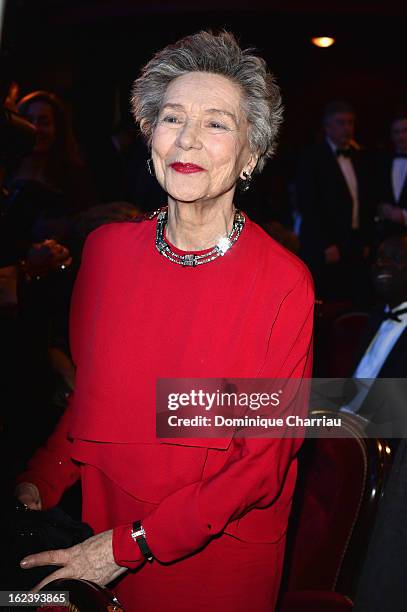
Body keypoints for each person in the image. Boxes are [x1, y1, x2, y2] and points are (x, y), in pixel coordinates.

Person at [15, 31, 314, 612]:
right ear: (150, 133)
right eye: (172, 118)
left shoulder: (284, 283)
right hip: (94, 543)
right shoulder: (104, 252)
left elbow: (261, 465)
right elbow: (91, 397)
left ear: (251, 155)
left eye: (217, 123)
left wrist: (129, 547)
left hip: (214, 564)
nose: (189, 140)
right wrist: (38, 480)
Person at [296, 100, 373, 302]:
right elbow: (308, 204)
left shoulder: (359, 157)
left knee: (354, 297)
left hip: (354, 241)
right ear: (328, 126)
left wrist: (365, 239)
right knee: (329, 298)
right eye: (341, 122)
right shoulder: (312, 158)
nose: (347, 128)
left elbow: (364, 202)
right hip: (327, 245)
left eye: (350, 123)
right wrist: (326, 244)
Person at [340, 234, 407, 436]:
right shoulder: (375, 317)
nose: (381, 263)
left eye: (394, 257)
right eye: (379, 257)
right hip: (342, 430)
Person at [374, 111, 407, 241]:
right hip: (386, 239)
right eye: (396, 132)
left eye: (405, 131)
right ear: (391, 136)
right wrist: (380, 208)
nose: (401, 136)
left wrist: (404, 216)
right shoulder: (381, 162)